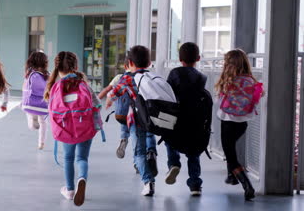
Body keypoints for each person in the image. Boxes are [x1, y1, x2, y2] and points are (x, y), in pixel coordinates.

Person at [44, 51, 102, 206]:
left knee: (68, 158)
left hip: (66, 128)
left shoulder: (55, 87)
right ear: (75, 66)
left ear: (57, 67)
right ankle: (81, 179)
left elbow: (51, 110)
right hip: (85, 127)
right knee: (82, 158)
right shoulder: (83, 85)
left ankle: (69, 190)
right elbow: (97, 104)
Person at [106, 45, 158, 196]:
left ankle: (148, 182)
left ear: (130, 63)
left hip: (136, 119)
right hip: (152, 118)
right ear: (149, 63)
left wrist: (109, 101)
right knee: (150, 137)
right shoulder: (152, 77)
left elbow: (115, 91)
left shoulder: (128, 78)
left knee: (138, 153)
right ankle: (152, 152)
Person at [215, 49, 263, 201]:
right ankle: (232, 176)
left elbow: (219, 100)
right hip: (242, 123)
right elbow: (257, 96)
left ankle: (247, 185)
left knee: (230, 154)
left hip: (227, 121)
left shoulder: (228, 80)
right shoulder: (250, 80)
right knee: (231, 150)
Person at [164, 42, 206, 196]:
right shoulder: (202, 77)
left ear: (180, 58)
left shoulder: (174, 73)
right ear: (198, 58)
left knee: (169, 140)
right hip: (195, 122)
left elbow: (167, 94)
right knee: (193, 154)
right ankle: (195, 184)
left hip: (176, 120)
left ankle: (174, 163)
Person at [22, 51, 49, 150]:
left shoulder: (29, 74)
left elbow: (25, 89)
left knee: (31, 122)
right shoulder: (47, 75)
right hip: (43, 103)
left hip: (30, 103)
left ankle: (33, 120)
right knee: (43, 122)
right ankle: (41, 143)